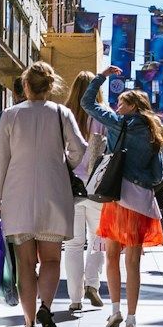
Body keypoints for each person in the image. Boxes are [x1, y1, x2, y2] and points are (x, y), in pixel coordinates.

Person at [0, 62, 88, 327]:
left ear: (26, 86)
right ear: (50, 87)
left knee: (24, 264)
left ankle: (29, 324)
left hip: (17, 195)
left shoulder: (10, 115)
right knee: (52, 259)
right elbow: (79, 149)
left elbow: (0, 161)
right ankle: (46, 307)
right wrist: (64, 164)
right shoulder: (62, 113)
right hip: (54, 192)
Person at [82, 68, 163, 327]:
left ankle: (115, 311)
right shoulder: (155, 132)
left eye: (121, 103)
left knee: (111, 257)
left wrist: (101, 76)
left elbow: (87, 102)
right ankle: (131, 319)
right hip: (141, 200)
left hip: (117, 195)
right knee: (133, 262)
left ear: (131, 106)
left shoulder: (119, 123)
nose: (117, 107)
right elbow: (160, 173)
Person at [64, 70, 108, 311]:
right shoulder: (103, 115)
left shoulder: (64, 115)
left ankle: (74, 300)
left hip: (69, 187)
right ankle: (92, 283)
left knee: (72, 245)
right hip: (96, 187)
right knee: (99, 240)